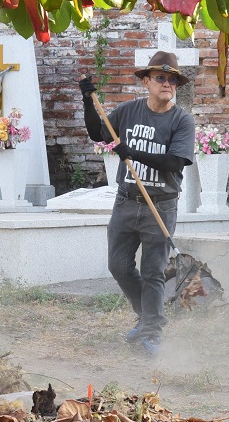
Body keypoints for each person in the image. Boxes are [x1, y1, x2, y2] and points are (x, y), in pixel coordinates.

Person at [80, 51, 196, 355]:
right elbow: (97, 132)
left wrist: (134, 154)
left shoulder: (181, 119)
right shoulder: (128, 112)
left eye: (173, 79)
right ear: (146, 81)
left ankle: (152, 332)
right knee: (117, 265)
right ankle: (146, 314)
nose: (168, 83)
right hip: (126, 202)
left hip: (161, 204)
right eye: (161, 77)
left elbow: (175, 162)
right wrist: (87, 100)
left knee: (153, 271)